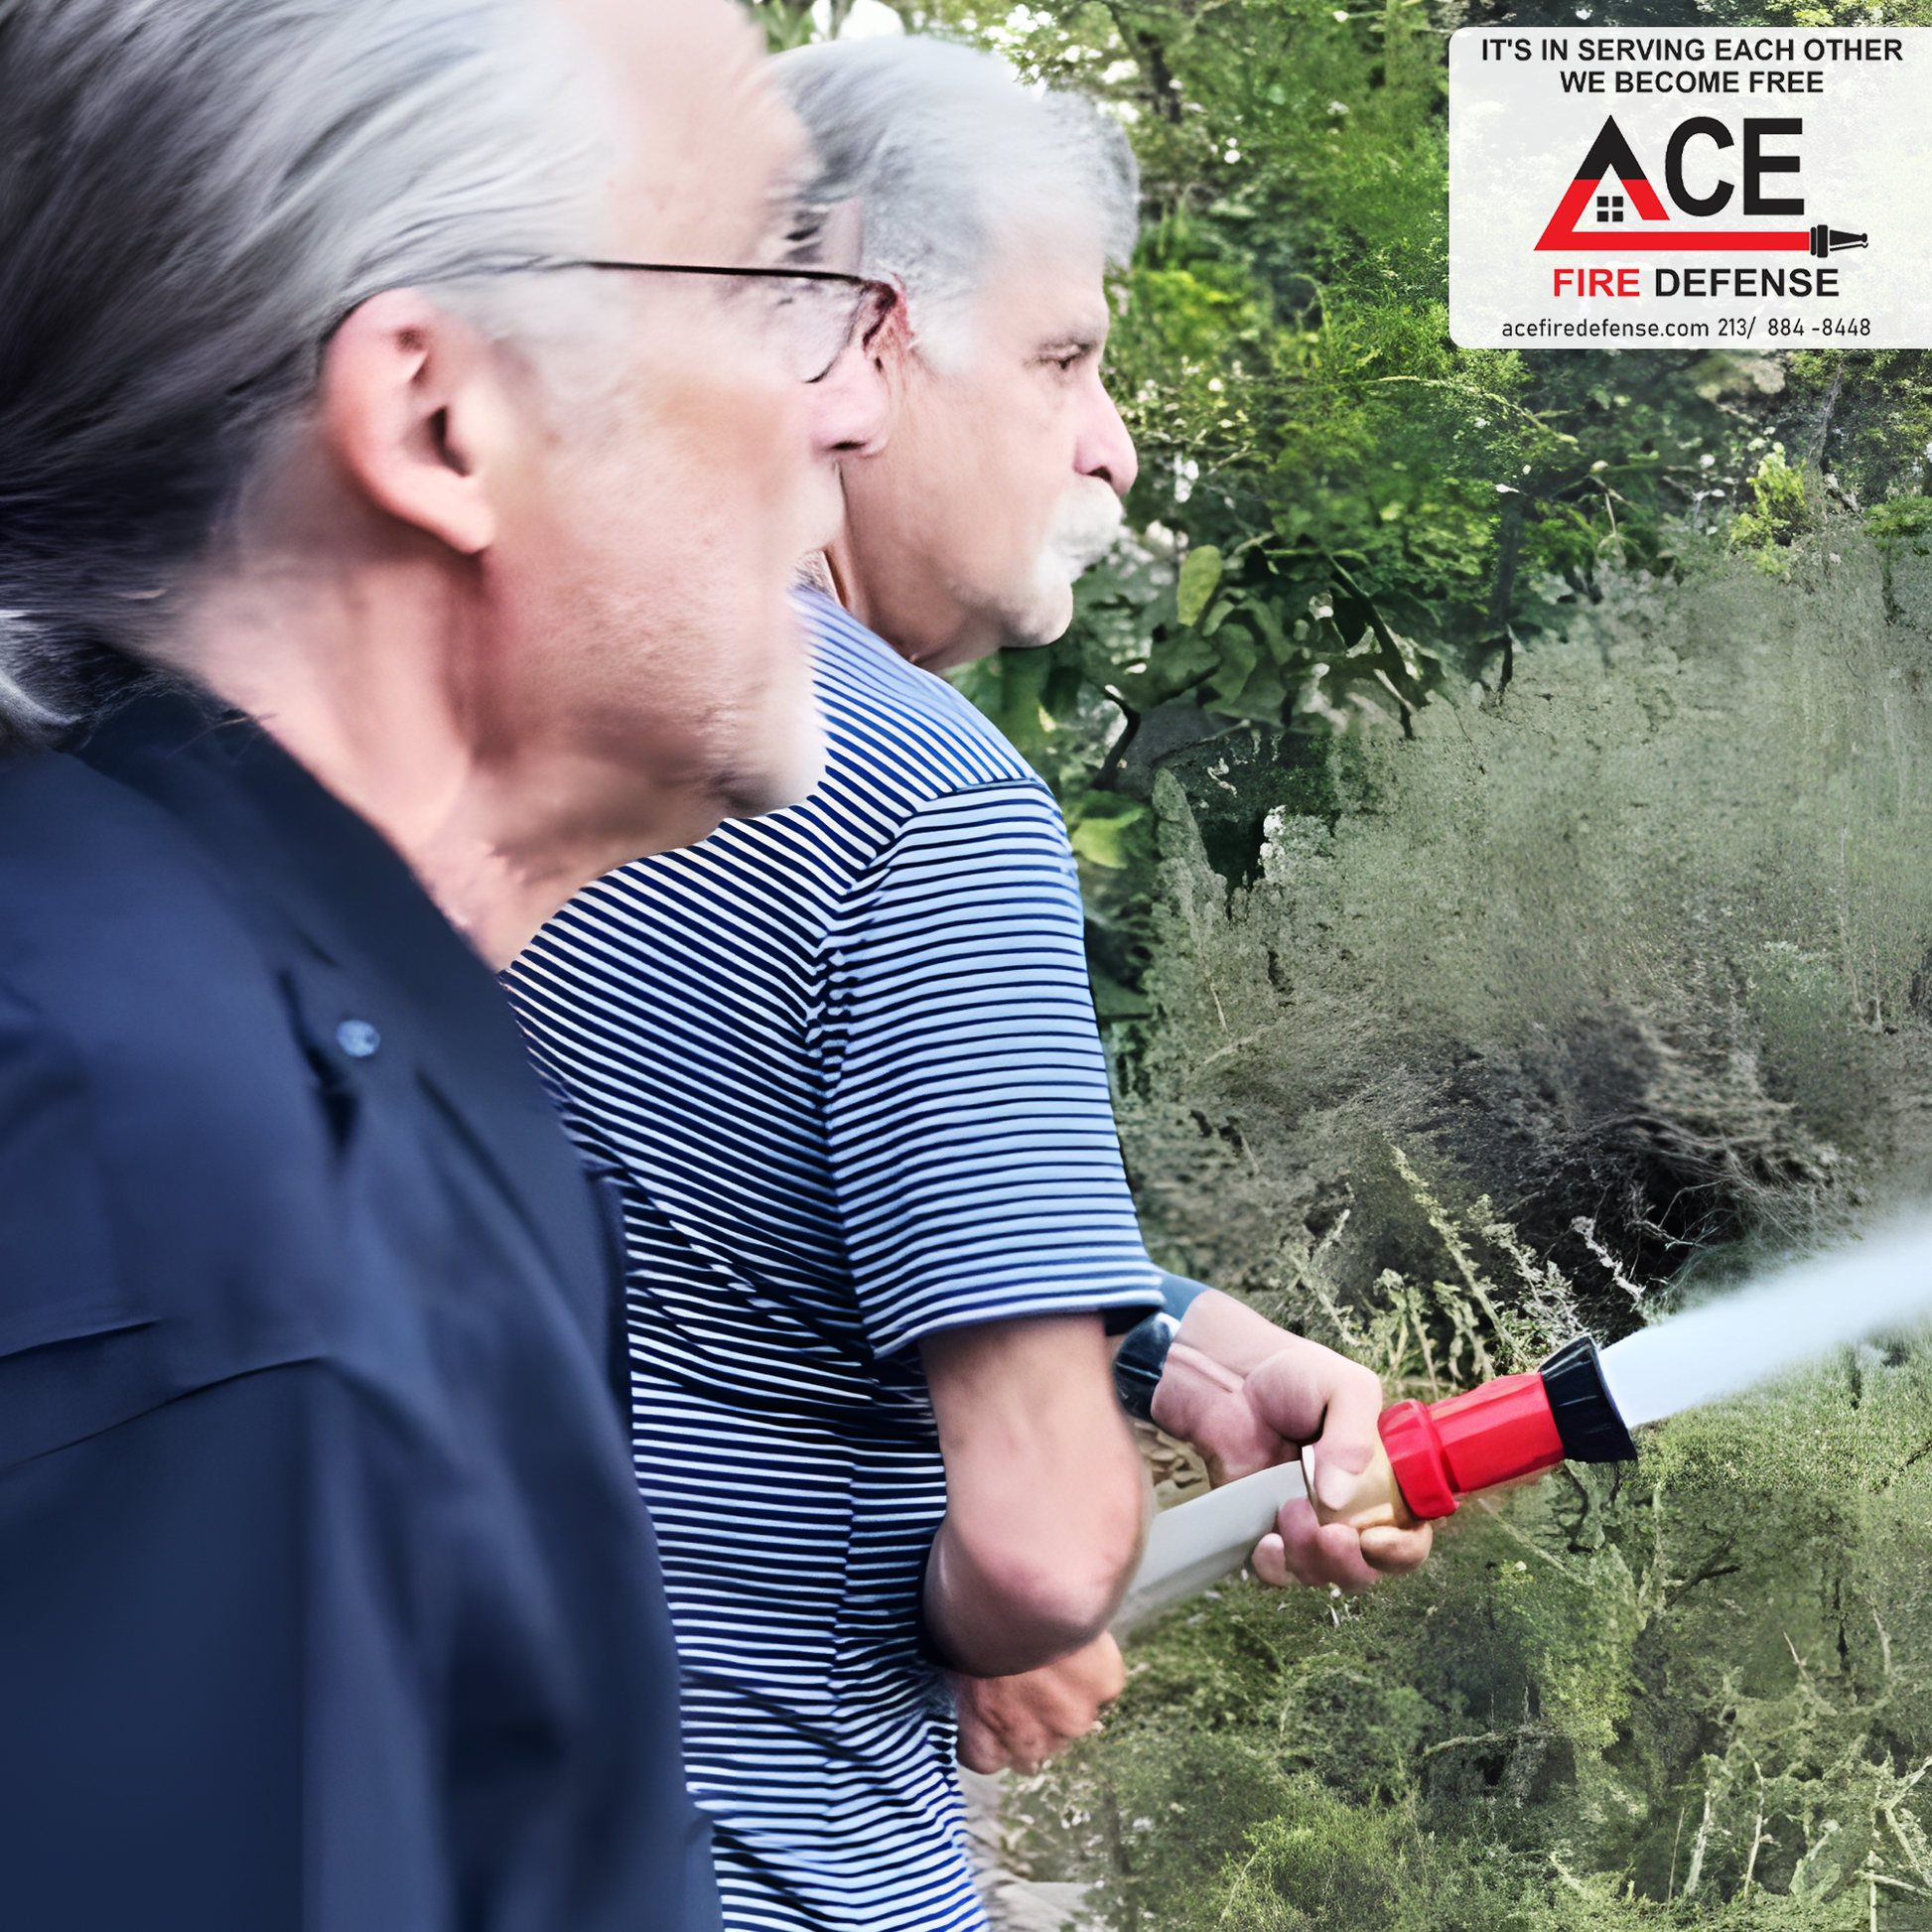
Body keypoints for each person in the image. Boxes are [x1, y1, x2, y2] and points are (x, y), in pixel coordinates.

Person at [505, 36, 1430, 1932]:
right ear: (858, 330)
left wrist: (1176, 1345)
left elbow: (704, 1213)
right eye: (1063, 360)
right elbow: (1028, 1554)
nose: (1108, 446)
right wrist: (1010, 1579)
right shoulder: (928, 801)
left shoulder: (492, 701)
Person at [0, 1, 886, 1927]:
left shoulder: (288, 1063)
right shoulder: (185, 1187)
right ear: (436, 417)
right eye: (774, 280)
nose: (852, 406)